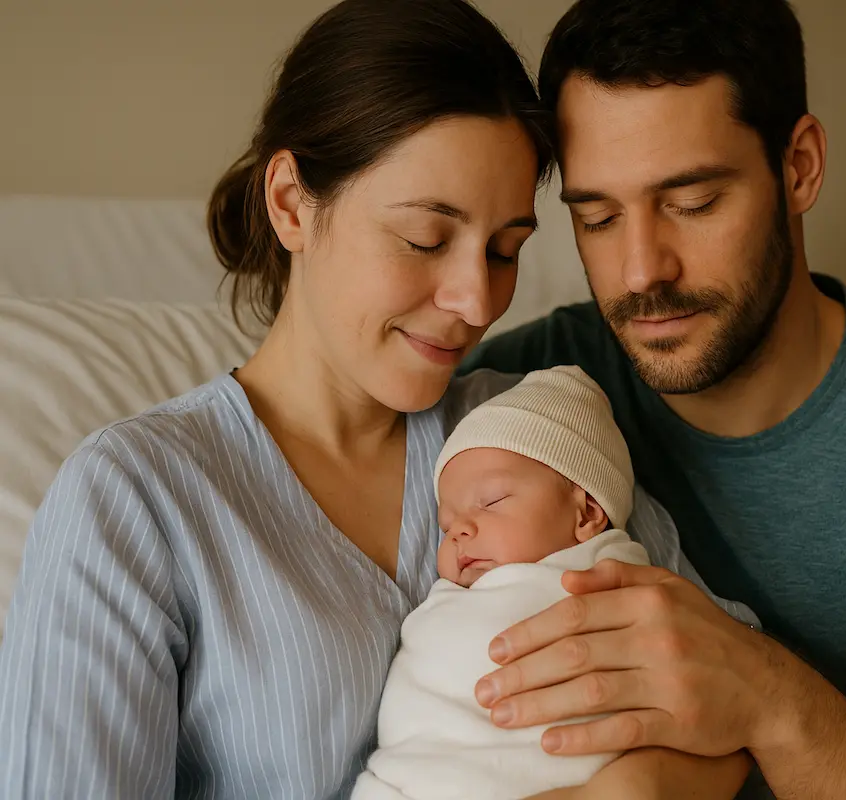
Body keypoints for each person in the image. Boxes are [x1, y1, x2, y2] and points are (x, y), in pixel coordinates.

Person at [0, 1, 749, 797]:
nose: (475, 300)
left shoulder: (530, 436)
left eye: (504, 251)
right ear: (291, 202)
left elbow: (742, 706)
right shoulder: (136, 499)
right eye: (426, 238)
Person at [460, 1, 846, 799]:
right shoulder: (514, 403)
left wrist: (765, 698)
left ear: (798, 168)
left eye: (692, 203)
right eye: (596, 218)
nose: (638, 271)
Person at [353, 366, 750, 800]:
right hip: (415, 776)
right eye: (446, 525)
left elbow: (718, 690)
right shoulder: (453, 598)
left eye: (492, 501)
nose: (459, 530)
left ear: (586, 514)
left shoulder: (624, 585)